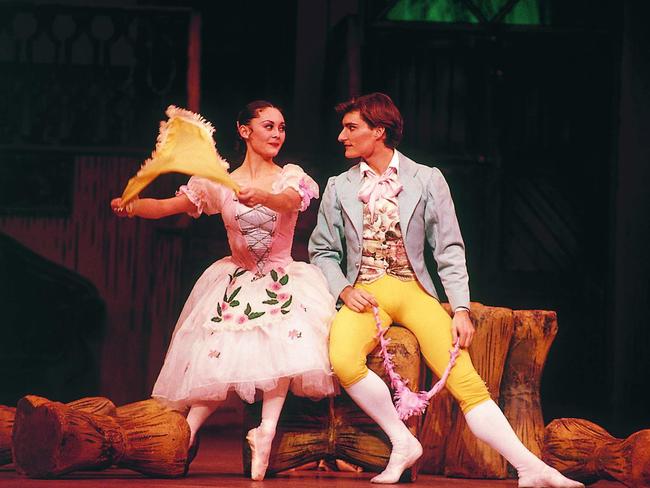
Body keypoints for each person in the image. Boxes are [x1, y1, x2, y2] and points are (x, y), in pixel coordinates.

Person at [308, 92, 583, 487]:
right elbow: (322, 250)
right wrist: (344, 290)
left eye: (351, 128)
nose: (341, 137)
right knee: (344, 360)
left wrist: (460, 309)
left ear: (379, 131)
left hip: (414, 290)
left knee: (465, 379)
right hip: (366, 291)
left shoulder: (427, 179)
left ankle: (531, 468)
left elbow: (449, 249)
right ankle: (402, 440)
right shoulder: (339, 186)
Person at [111, 100, 337, 481]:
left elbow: (288, 202)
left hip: (281, 277)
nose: (277, 134)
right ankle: (186, 433)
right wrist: (132, 206)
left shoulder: (291, 177)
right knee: (216, 356)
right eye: (268, 126)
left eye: (281, 127)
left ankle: (266, 431)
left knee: (283, 345)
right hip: (238, 277)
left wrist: (262, 196)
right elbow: (169, 205)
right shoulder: (218, 185)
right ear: (244, 130)